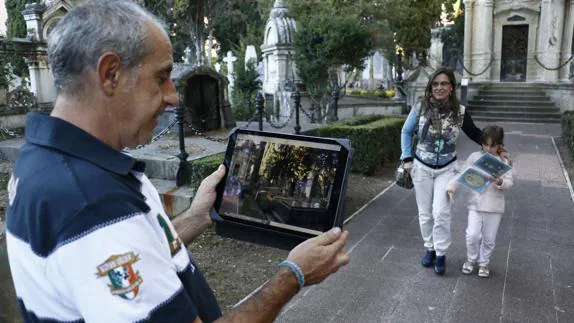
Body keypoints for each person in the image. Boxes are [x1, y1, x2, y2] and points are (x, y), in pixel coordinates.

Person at [5, 1, 349, 322]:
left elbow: (135, 256)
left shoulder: (43, 158)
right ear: (110, 73)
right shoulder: (92, 204)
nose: (173, 96)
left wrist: (198, 217)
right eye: (161, 77)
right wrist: (293, 274)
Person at [400, 67, 483, 275]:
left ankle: (441, 252)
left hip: (447, 169)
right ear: (430, 87)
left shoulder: (460, 112)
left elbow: (475, 134)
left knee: (441, 213)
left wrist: (497, 146)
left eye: (444, 83)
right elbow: (406, 131)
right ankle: (430, 248)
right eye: (435, 84)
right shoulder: (420, 107)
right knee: (425, 214)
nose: (439, 87)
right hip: (421, 167)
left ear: (451, 87)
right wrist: (407, 159)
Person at [447, 125, 514, 278]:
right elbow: (463, 173)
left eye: (493, 145)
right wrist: (451, 187)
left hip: (495, 206)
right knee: (472, 234)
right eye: (486, 144)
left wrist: (500, 182)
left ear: (499, 144)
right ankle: (471, 259)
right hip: (475, 204)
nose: (488, 148)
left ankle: (484, 263)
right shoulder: (474, 157)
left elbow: (510, 182)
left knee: (489, 238)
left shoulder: (504, 161)